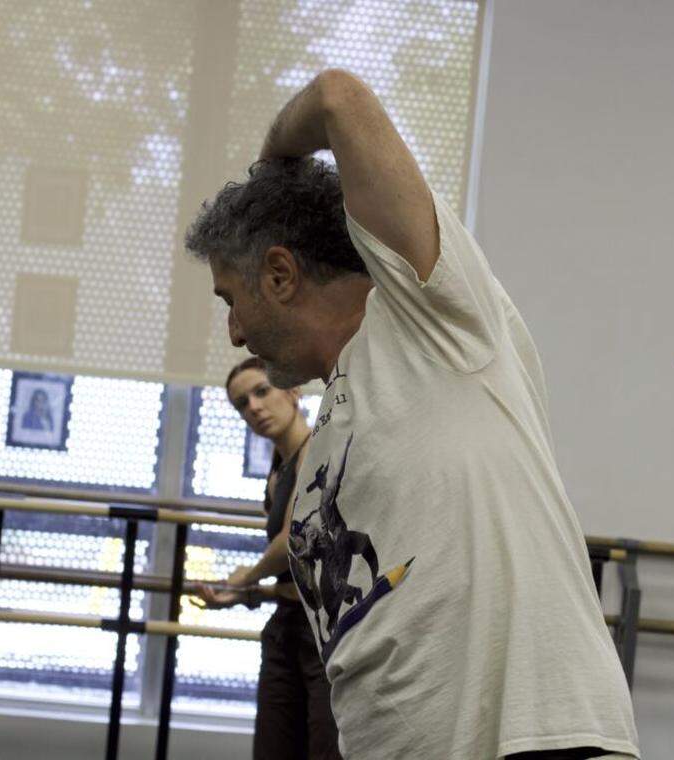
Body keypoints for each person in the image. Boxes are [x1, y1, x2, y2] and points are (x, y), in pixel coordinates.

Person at [184, 69, 638, 759]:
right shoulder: (318, 461)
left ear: (280, 274)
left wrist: (272, 166)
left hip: (536, 742)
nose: (235, 332)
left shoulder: (427, 322)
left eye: (229, 299)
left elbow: (339, 97)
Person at [191, 357, 341, 760]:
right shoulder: (277, 473)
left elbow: (295, 537)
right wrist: (246, 593)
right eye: (242, 403)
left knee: (325, 750)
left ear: (292, 391)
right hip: (284, 627)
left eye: (261, 392)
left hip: (323, 635)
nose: (253, 408)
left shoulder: (317, 449)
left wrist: (246, 576)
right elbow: (293, 571)